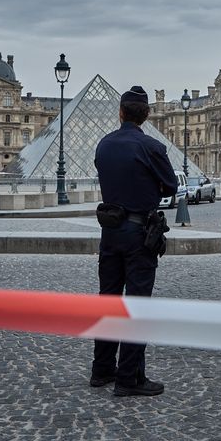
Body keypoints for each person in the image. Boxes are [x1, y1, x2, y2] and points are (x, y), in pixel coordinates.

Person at [92, 85, 178, 397]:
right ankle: (129, 377)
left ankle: (101, 370)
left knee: (109, 301)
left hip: (109, 231)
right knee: (136, 305)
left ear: (120, 112)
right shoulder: (151, 147)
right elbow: (170, 186)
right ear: (147, 115)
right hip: (139, 232)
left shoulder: (104, 144)